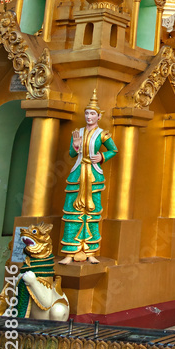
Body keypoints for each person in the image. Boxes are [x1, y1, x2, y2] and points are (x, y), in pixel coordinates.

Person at [60, 90, 117, 264]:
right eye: (87, 113)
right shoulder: (77, 133)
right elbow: (71, 154)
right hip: (77, 174)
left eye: (92, 113)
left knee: (92, 213)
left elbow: (113, 150)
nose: (89, 116)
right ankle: (70, 252)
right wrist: (76, 146)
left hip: (94, 176)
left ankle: (91, 251)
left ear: (99, 117)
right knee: (72, 212)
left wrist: (102, 157)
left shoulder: (103, 134)